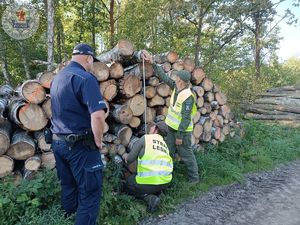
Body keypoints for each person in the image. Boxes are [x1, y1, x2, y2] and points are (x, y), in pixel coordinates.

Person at [50, 43, 107, 225]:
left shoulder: (58, 78)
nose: (92, 65)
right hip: (80, 145)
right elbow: (97, 116)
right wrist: (98, 141)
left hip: (58, 142)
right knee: (90, 193)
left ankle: (67, 219)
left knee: (68, 187)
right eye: (92, 61)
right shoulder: (85, 78)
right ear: (88, 58)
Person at [142, 51, 199, 183]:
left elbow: (185, 119)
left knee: (187, 155)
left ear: (182, 82)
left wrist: (179, 136)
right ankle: (167, 176)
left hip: (182, 132)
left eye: (177, 78)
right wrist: (152, 62)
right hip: (172, 129)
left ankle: (194, 179)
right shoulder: (176, 87)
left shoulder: (188, 97)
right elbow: (164, 77)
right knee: (168, 153)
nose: (175, 78)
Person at [122, 121, 173, 212]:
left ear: (156, 129)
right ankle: (158, 192)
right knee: (152, 183)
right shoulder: (165, 145)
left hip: (149, 181)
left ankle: (149, 198)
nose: (151, 128)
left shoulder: (146, 138)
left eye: (153, 127)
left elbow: (130, 159)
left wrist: (125, 156)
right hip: (166, 182)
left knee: (128, 184)